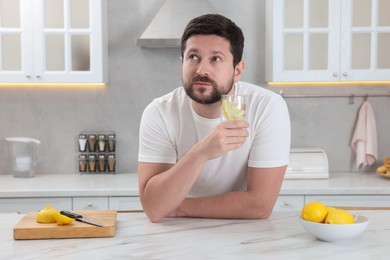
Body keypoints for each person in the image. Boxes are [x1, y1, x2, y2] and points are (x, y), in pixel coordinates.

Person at [138, 14, 291, 222]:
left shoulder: (267, 107)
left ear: (237, 70)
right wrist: (202, 152)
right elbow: (154, 209)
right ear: (182, 62)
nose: (202, 70)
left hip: (243, 233)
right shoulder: (159, 112)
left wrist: (177, 207)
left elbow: (259, 205)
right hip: (176, 234)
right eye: (193, 57)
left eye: (215, 59)